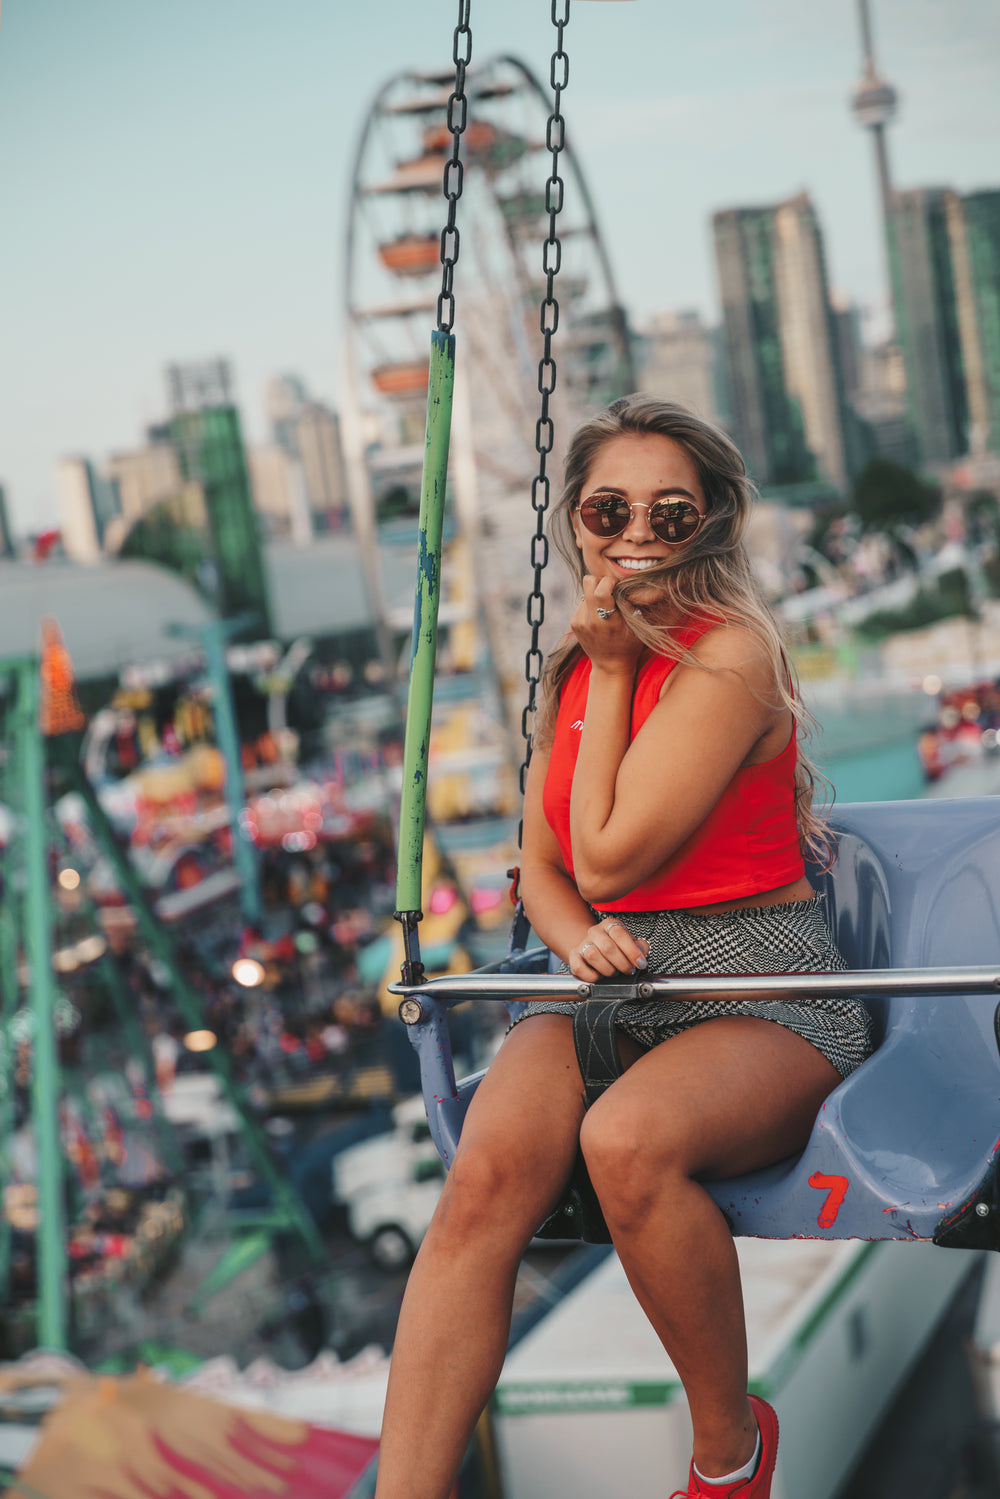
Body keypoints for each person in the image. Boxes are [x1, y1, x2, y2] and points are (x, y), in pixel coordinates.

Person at [374, 396, 875, 1499]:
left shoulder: (731, 657)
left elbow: (605, 855)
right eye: (610, 507)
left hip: (759, 985)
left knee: (628, 1141)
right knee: (482, 1180)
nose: (636, 529)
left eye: (669, 509)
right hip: (617, 979)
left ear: (713, 523)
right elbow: (545, 872)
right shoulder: (570, 671)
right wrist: (572, 939)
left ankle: (727, 1455)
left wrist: (607, 673)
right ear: (576, 522)